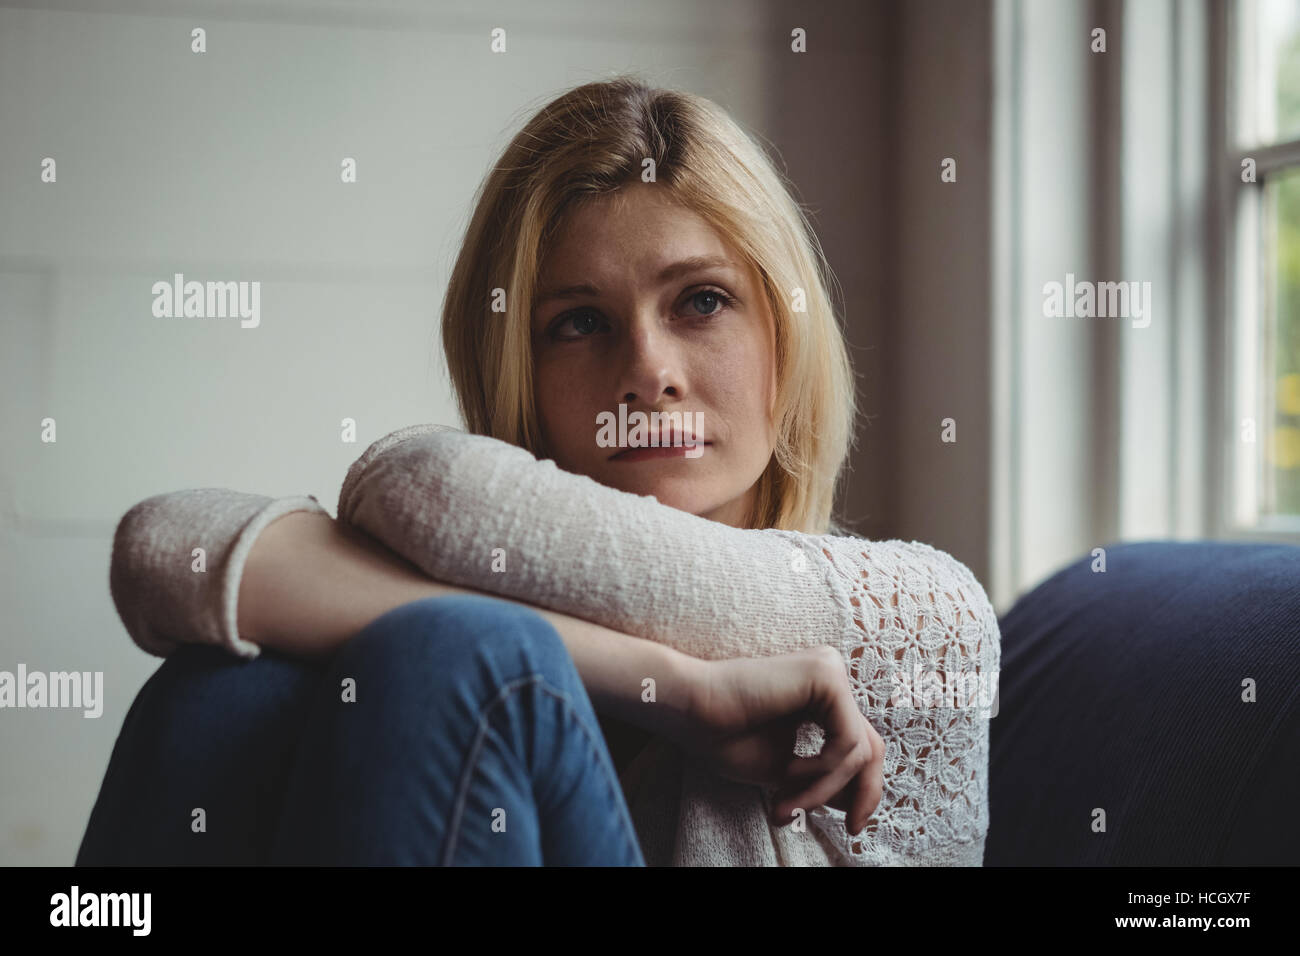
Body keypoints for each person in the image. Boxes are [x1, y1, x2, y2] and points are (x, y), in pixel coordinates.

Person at [79, 75, 998, 867]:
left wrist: (492, 638)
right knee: (230, 694)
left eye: (702, 301)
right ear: (518, 373)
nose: (648, 369)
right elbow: (163, 549)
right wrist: (678, 692)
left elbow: (425, 485)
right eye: (579, 322)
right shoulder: (512, 640)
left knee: (462, 654)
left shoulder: (927, 618)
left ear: (784, 338)